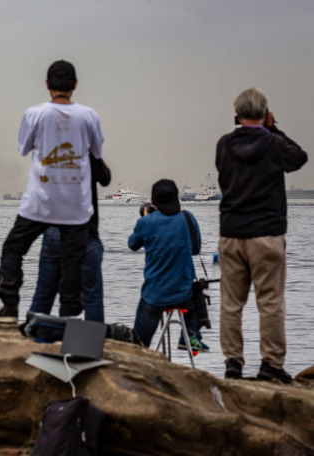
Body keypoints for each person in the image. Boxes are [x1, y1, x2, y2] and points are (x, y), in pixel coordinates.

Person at [0, 60, 104, 326]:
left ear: (47, 85)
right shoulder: (89, 116)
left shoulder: (34, 113)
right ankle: (69, 320)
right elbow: (96, 153)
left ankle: (9, 304)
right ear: (75, 85)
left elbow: (24, 147)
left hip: (39, 202)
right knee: (73, 263)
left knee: (13, 248)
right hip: (76, 206)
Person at [217, 88, 308, 383]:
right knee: (270, 303)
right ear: (265, 113)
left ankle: (232, 363)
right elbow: (300, 158)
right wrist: (274, 128)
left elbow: (223, 172)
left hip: (232, 232)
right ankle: (271, 365)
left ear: (237, 114)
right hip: (267, 233)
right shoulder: (273, 145)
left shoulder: (224, 145)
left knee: (231, 304)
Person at [30, 155, 111, 322]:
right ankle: (89, 345)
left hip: (54, 229)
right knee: (92, 296)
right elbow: (105, 178)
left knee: (44, 293)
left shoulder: (51, 154)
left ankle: (33, 338)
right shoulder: (86, 155)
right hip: (84, 232)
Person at [127, 180, 204, 349]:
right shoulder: (187, 218)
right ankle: (190, 336)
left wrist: (147, 218)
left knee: (138, 345)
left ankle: (139, 351)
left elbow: (132, 244)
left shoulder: (146, 223)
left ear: (153, 201)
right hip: (184, 295)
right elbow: (196, 249)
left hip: (155, 296)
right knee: (194, 295)